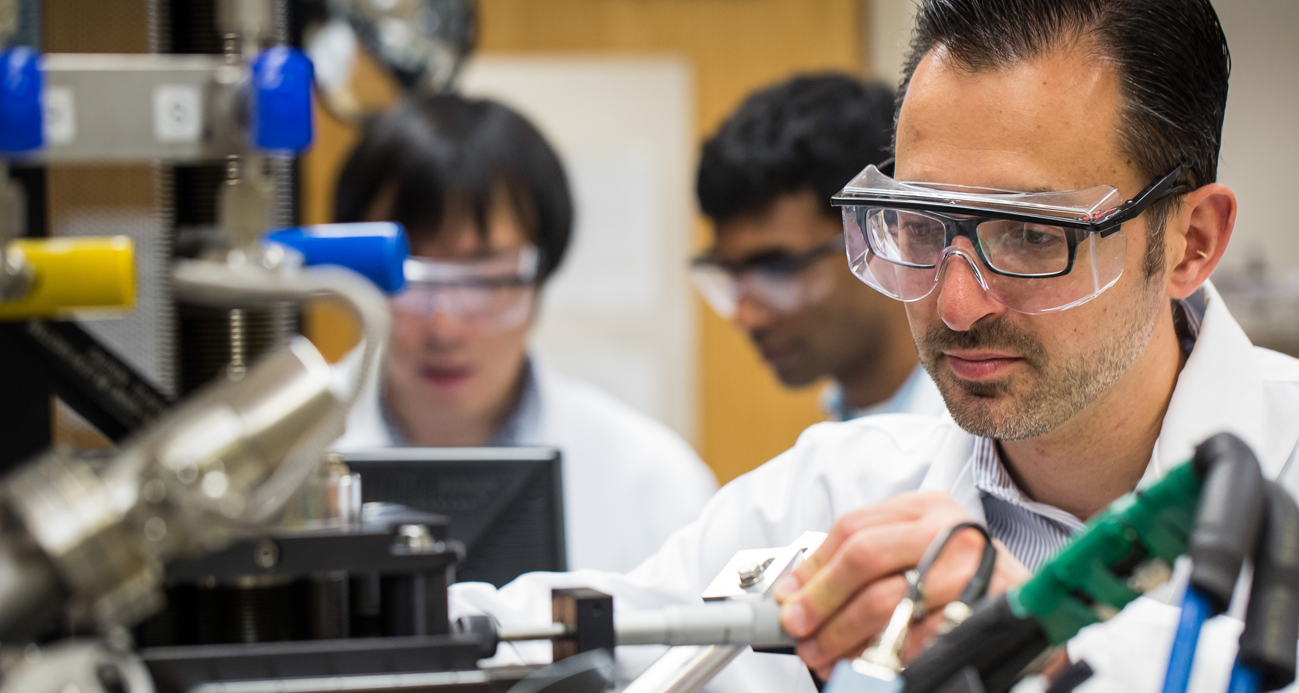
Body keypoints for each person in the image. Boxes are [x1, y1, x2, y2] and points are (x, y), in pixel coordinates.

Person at [448, 0, 1299, 691]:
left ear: (1190, 241)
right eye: (922, 224)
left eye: (1034, 236)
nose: (956, 303)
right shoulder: (829, 494)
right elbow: (550, 634)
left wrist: (1043, 650)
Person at [330, 93, 718, 573]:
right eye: (408, 277)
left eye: (484, 278)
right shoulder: (267, 465)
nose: (444, 327)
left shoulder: (652, 482)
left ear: (541, 274)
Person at [693, 74, 944, 420]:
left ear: (885, 236)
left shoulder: (988, 438)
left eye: (776, 270)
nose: (746, 316)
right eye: (732, 275)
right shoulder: (843, 428)